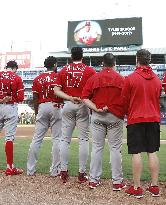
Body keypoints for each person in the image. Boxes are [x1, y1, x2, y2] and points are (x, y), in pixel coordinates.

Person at [82, 53, 125, 190]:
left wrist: (96, 108)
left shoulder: (94, 77)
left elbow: (84, 98)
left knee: (97, 148)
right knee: (115, 149)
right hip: (115, 116)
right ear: (114, 63)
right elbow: (126, 100)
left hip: (98, 115)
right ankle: (117, 182)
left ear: (103, 63)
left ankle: (93, 180)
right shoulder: (121, 78)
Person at [122, 49, 161, 198]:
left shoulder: (130, 78)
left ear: (137, 60)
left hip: (136, 118)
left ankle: (137, 187)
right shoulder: (157, 79)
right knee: (152, 151)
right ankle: (154, 186)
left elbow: (124, 101)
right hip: (153, 118)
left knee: (136, 152)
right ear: (149, 60)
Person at [54, 47, 96, 183]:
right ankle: (82, 174)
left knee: (65, 139)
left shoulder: (64, 69)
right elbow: (95, 90)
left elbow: (56, 90)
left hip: (68, 103)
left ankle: (64, 172)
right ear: (82, 56)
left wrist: (70, 97)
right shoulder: (89, 70)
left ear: (71, 56)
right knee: (83, 139)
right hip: (83, 104)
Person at [27, 56, 63, 176]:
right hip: (56, 106)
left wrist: (37, 112)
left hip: (42, 106)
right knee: (57, 139)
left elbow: (35, 98)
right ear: (55, 65)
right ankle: (54, 171)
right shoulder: (58, 77)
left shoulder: (38, 78)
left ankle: (30, 170)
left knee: (37, 139)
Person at [0, 60, 24, 175]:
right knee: (9, 138)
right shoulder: (17, 78)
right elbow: (20, 97)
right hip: (10, 108)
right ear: (14, 68)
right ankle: (10, 167)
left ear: (6, 67)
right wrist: (10, 98)